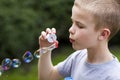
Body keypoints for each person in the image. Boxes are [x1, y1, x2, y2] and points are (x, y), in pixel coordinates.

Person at [38, 0, 120, 80]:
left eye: (80, 26)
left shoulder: (113, 76)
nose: (70, 29)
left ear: (103, 34)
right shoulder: (77, 58)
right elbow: (47, 77)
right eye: (72, 22)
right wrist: (46, 48)